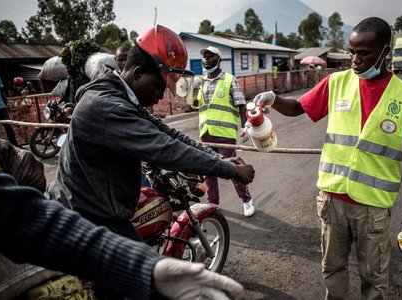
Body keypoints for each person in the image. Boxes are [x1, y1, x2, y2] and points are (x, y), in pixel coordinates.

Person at [0, 129, 244, 300]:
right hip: (89, 207)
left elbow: (21, 213)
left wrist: (146, 268)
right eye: (158, 82)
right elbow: (164, 145)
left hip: (63, 205)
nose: (159, 91)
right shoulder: (108, 104)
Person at [253, 17, 402, 299]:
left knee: (375, 278)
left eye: (363, 53)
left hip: (373, 206)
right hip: (332, 200)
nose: (354, 59)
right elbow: (298, 107)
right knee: (333, 270)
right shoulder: (336, 82)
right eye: (351, 51)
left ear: (385, 52)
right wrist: (273, 99)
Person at [46, 25, 255, 242]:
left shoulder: (122, 97)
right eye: (159, 86)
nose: (161, 95)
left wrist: (219, 159)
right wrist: (230, 170)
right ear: (137, 74)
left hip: (96, 202)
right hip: (85, 215)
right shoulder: (109, 106)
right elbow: (167, 149)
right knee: (149, 271)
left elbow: (168, 133)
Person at [194, 46, 256, 217]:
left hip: (224, 133)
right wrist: (190, 91)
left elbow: (241, 103)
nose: (206, 59)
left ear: (218, 59)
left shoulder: (229, 79)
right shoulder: (200, 82)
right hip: (205, 132)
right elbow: (195, 105)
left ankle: (246, 200)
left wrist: (245, 127)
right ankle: (213, 204)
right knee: (208, 170)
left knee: (232, 169)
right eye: (204, 57)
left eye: (210, 56)